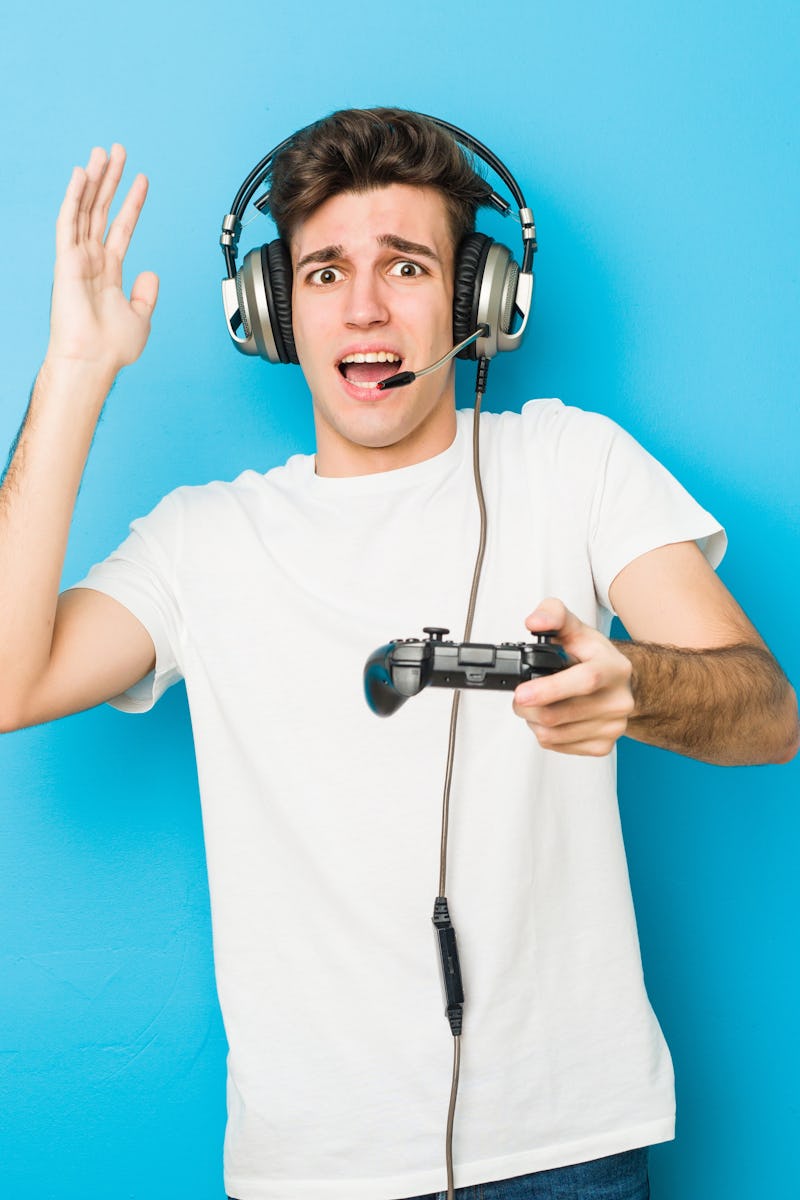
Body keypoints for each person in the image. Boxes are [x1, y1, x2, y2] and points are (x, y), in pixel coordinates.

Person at [0, 108, 797, 1200]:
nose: (365, 308)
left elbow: (767, 712)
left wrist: (637, 688)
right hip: (310, 1170)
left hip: (564, 1151)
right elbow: (8, 681)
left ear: (481, 297)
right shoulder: (202, 539)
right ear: (271, 311)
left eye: (406, 266)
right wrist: (77, 371)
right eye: (323, 272)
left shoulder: (571, 462)